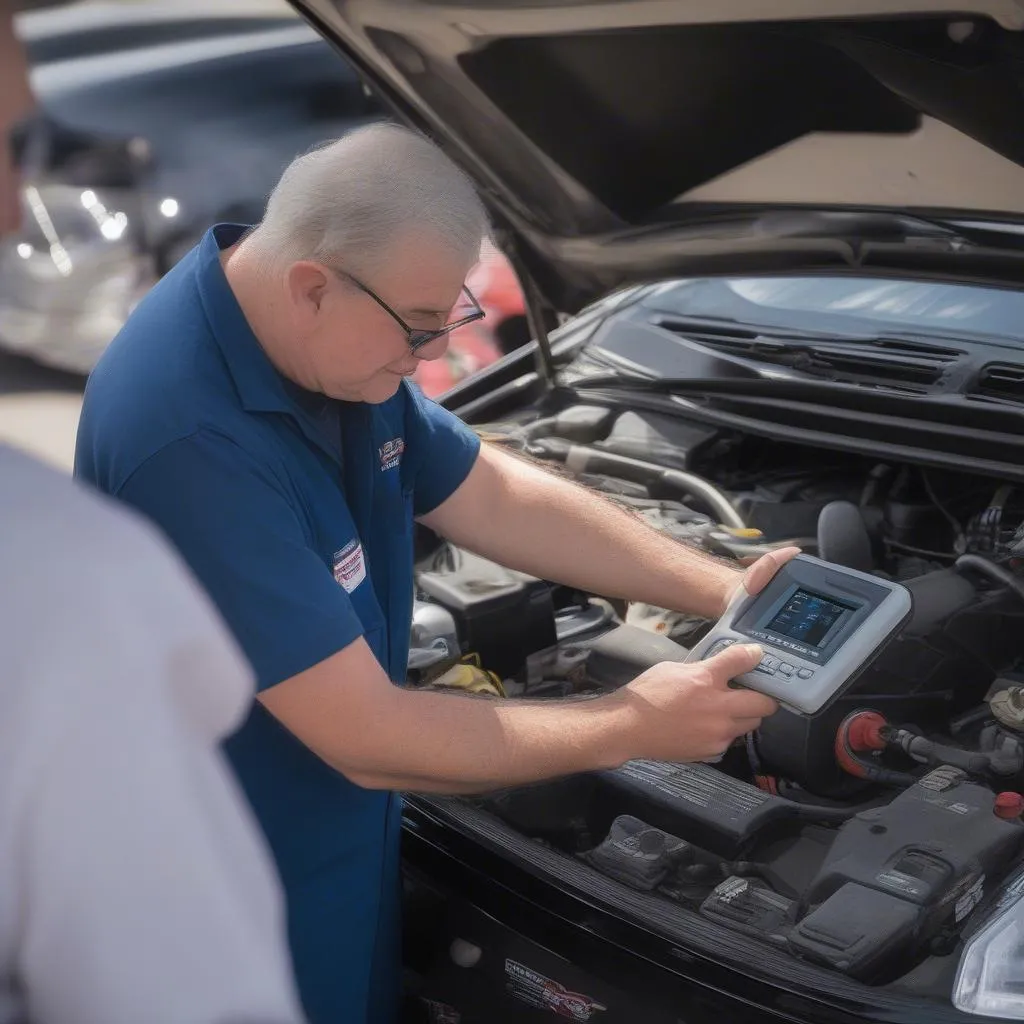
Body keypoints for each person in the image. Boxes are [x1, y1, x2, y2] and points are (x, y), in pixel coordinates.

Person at [75, 123, 798, 1024]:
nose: (427, 359)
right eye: (420, 329)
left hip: (338, 840)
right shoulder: (188, 443)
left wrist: (721, 587)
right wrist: (633, 722)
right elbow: (370, 737)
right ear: (312, 287)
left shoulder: (317, 341)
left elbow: (489, 491)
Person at [0, 4, 306, 1022]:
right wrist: (622, 722)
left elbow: (471, 475)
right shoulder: (59, 581)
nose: (14, 209)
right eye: (5, 148)